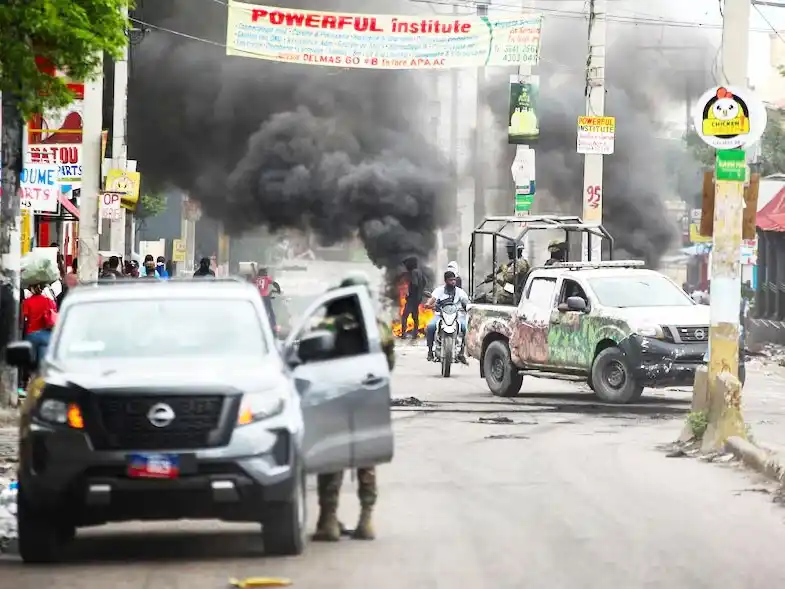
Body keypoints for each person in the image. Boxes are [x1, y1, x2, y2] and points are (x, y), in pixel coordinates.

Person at [312, 272, 394, 543]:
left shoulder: (329, 325)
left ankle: (328, 521)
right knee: (366, 462)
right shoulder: (377, 327)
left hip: (334, 398)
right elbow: (388, 363)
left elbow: (311, 357)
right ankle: (366, 520)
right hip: (367, 397)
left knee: (332, 460)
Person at [424, 270, 469, 363]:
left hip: (456, 316)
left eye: (454, 280)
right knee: (430, 327)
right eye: (450, 280)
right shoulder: (439, 290)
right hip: (440, 315)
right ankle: (430, 351)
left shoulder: (460, 292)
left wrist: (467, 305)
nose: (453, 282)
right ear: (446, 281)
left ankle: (461, 352)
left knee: (465, 328)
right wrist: (429, 304)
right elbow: (431, 300)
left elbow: (465, 301)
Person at [22, 283, 57, 362]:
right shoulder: (49, 301)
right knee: (43, 361)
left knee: (29, 361)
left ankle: (30, 373)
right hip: (47, 335)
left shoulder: (27, 302)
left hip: (32, 334)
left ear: (31, 289)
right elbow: (54, 315)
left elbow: (23, 319)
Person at [401, 257, 425, 339]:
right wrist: (420, 292)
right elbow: (424, 282)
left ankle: (403, 334)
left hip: (412, 299)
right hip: (418, 299)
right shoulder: (420, 272)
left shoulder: (414, 272)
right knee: (415, 317)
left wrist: (410, 295)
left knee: (404, 316)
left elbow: (415, 284)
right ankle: (415, 334)